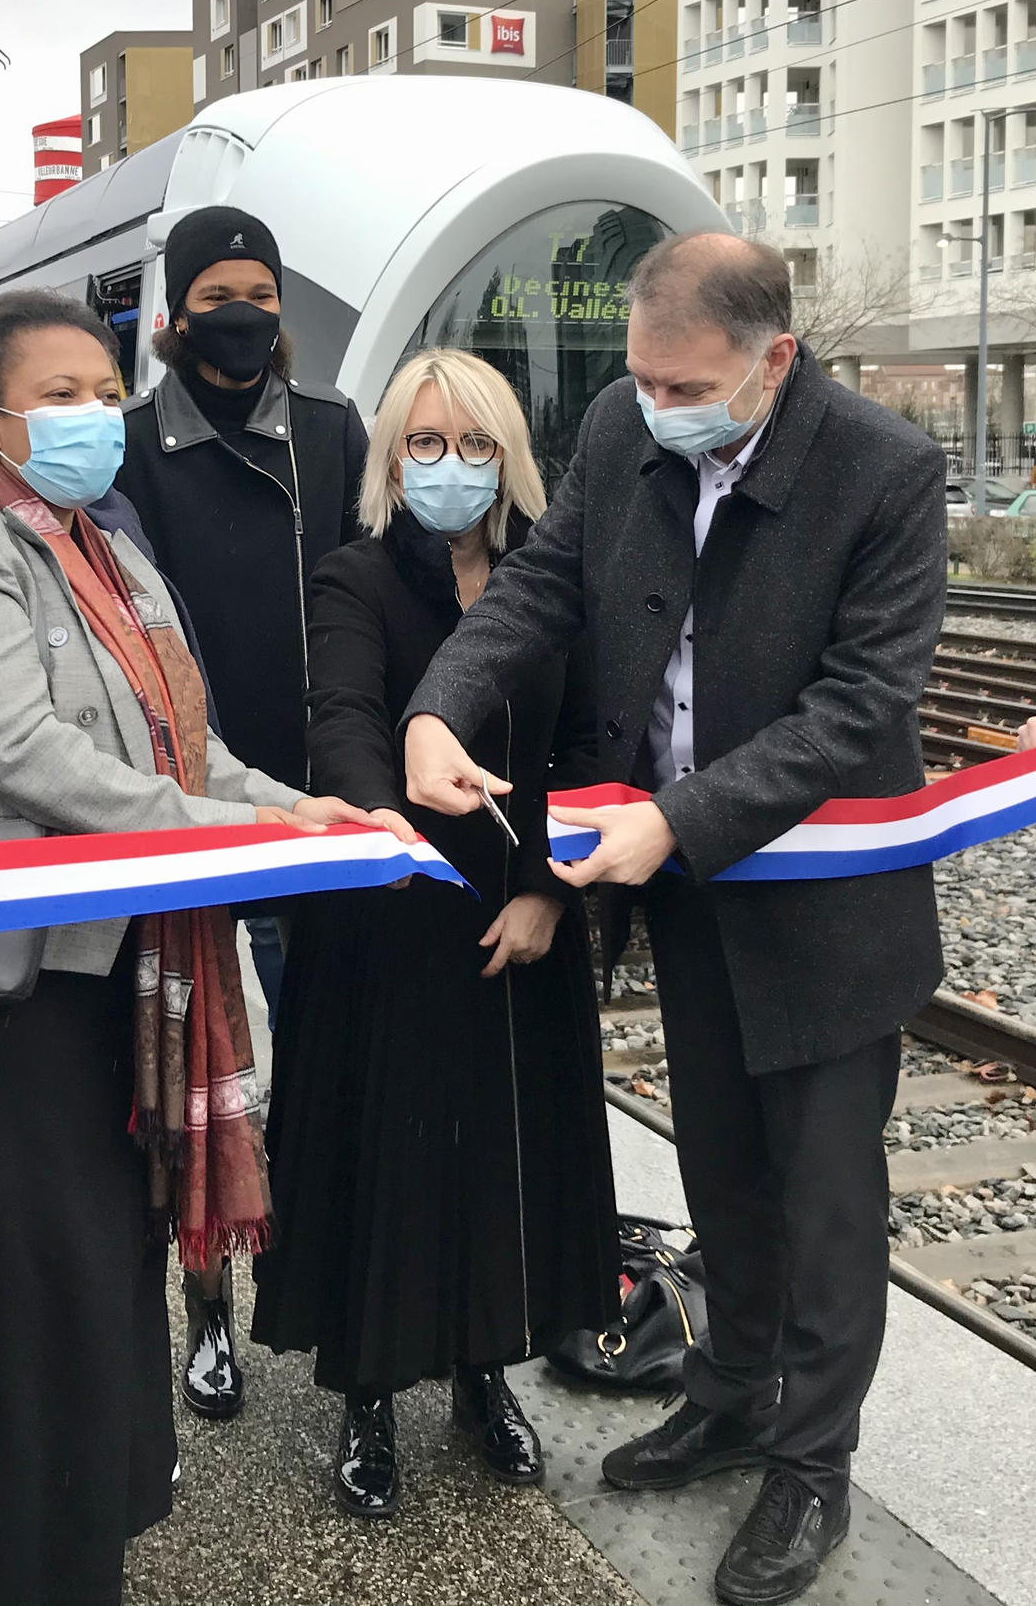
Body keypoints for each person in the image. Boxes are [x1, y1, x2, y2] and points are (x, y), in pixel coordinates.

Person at [0, 287, 408, 1606]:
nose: (97, 415)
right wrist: (224, 835)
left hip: (90, 982)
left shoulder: (105, 544)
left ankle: (61, 1548)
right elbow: (24, 751)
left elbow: (179, 737)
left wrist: (286, 801)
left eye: (102, 389)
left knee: (84, 1287)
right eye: (63, 395)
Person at [403, 233, 946, 1606]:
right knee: (721, 1172)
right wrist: (436, 704)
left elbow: (860, 705)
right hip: (695, 901)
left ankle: (811, 1461)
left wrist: (681, 816)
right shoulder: (621, 418)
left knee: (825, 1200)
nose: (654, 401)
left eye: (682, 381)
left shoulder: (883, 468)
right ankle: (732, 1390)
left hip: (825, 905)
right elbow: (539, 584)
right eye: (640, 376)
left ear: (775, 359)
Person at [249, 348, 617, 1517]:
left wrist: (553, 893)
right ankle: (368, 1389)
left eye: (472, 444)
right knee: (388, 1155)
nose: (449, 466)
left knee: (505, 1157)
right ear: (390, 459)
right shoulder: (354, 578)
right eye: (424, 443)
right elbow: (344, 719)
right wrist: (394, 830)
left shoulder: (554, 582)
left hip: (524, 916)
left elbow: (592, 747)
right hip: (389, 914)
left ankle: (484, 1364)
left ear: (507, 459)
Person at [114, 204, 371, 1425]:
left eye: (261, 294)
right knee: (200, 1070)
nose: (242, 315)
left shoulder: (332, 433)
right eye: (218, 293)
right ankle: (204, 1307)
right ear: (175, 313)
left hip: (312, 800)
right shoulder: (122, 449)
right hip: (185, 806)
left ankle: (308, 1278)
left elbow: (371, 591)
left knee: (319, 1058)